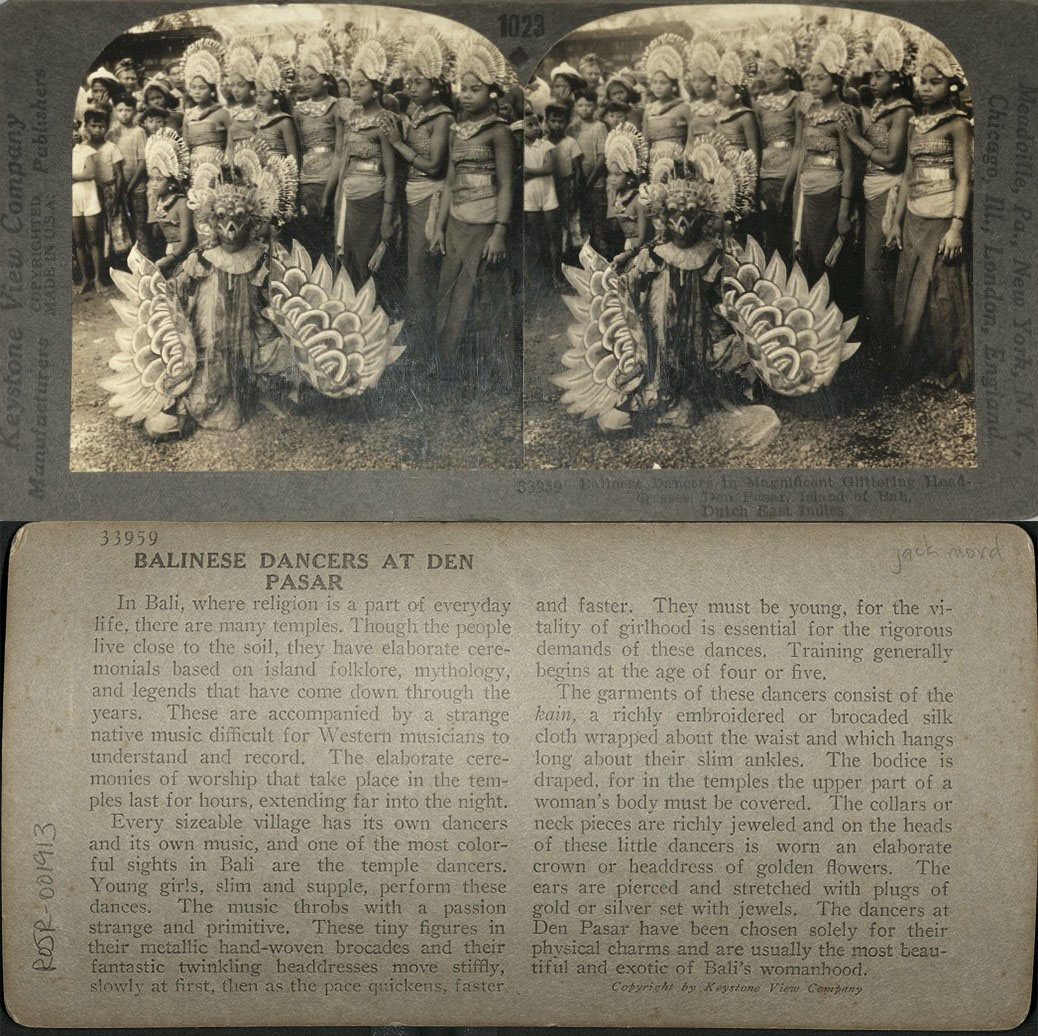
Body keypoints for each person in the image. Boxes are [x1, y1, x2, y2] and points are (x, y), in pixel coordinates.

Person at [889, 38, 973, 389]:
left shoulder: (957, 124)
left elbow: (964, 177)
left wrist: (956, 227)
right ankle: (914, 365)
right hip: (913, 217)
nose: (925, 88)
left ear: (951, 84)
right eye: (921, 81)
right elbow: (908, 176)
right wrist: (895, 221)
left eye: (934, 81)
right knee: (911, 289)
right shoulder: (913, 125)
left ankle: (947, 370)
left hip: (942, 217)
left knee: (942, 295)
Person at [433, 38, 515, 387]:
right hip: (456, 223)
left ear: (491, 92)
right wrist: (438, 227)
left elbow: (507, 184)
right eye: (462, 89)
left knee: (485, 297)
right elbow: (450, 180)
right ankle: (451, 366)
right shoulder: (455, 130)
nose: (466, 95)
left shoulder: (499, 132)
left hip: (485, 224)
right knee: (451, 293)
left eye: (475, 89)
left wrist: (499, 232)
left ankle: (491, 371)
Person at [381, 31, 456, 362]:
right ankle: (419, 343)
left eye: (418, 81)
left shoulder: (444, 118)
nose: (410, 86)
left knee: (422, 272)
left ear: (436, 85)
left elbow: (435, 164)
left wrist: (397, 143)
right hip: (411, 196)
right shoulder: (413, 114)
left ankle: (429, 348)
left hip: (430, 196)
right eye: (408, 80)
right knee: (414, 273)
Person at [839, 25, 912, 363]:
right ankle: (881, 341)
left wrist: (856, 138)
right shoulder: (879, 108)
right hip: (870, 192)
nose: (873, 80)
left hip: (889, 193)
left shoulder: (903, 112)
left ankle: (888, 347)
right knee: (872, 269)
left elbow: (894, 158)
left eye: (879, 74)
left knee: (877, 269)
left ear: (895, 79)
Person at [332, 35, 399, 291]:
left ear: (376, 87)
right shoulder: (350, 119)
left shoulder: (385, 121)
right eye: (353, 84)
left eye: (362, 84)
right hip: (348, 198)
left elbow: (392, 174)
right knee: (348, 260)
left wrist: (388, 216)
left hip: (374, 200)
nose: (355, 90)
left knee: (369, 262)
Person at [795, 32, 857, 298]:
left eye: (821, 78)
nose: (814, 83)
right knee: (806, 259)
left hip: (831, 196)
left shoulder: (845, 114)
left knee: (828, 262)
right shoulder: (810, 113)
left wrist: (844, 213)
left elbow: (850, 167)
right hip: (807, 194)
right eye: (811, 77)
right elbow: (803, 155)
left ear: (835, 83)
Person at [753, 31, 803, 262]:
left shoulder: (797, 101)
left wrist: (787, 187)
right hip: (767, 175)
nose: (768, 76)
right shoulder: (760, 105)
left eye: (774, 71)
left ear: (788, 73)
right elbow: (760, 143)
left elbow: (798, 146)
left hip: (790, 174)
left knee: (791, 233)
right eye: (766, 72)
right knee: (770, 234)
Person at [292, 35, 340, 263]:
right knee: (308, 233)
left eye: (313, 77)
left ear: (326, 79)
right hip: (306, 179)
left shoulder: (336, 107)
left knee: (328, 233)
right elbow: (299, 150)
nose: (307, 82)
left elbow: (340, 151)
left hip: (330, 177)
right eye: (304, 78)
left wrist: (330, 190)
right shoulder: (299, 110)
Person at [84, 106, 132, 263]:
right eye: (93, 126)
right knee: (96, 227)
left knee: (114, 224)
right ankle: (99, 264)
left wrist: (117, 200)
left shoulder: (111, 147)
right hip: (90, 191)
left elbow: (119, 175)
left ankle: (117, 262)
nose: (98, 130)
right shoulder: (83, 148)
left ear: (107, 127)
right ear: (86, 127)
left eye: (101, 126)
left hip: (110, 191)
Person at [144, 129, 193, 274]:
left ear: (171, 181)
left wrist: (170, 259)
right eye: (151, 179)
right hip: (169, 252)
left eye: (159, 179)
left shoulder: (181, 203)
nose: (154, 184)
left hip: (186, 255)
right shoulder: (157, 199)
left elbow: (186, 242)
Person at [523, 110, 561, 288]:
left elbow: (548, 168)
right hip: (530, 196)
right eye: (529, 125)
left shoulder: (546, 145)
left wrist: (528, 172)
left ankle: (556, 274)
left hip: (548, 194)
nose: (535, 128)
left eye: (536, 124)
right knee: (538, 237)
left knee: (553, 234)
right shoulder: (520, 149)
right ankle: (545, 276)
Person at [108, 93, 150, 255]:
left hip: (136, 186)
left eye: (128, 110)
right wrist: (119, 187)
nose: (124, 113)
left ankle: (144, 260)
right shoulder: (112, 133)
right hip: (117, 187)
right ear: (115, 111)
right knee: (121, 225)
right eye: (120, 110)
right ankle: (125, 261)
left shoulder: (139, 132)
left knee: (140, 223)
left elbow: (142, 161)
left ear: (134, 111)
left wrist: (130, 186)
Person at [638, 36, 690, 166]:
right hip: (654, 163)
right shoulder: (649, 110)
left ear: (673, 84)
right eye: (654, 82)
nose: (657, 86)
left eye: (663, 82)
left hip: (678, 161)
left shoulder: (683, 107)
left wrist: (686, 159)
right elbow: (645, 142)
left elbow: (692, 137)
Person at [603, 123, 649, 266]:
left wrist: (627, 255)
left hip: (643, 252)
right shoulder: (616, 197)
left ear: (630, 178)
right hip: (627, 249)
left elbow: (644, 238)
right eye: (610, 174)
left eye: (618, 174)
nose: (612, 179)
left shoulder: (639, 200)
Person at [569, 88, 609, 254]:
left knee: (598, 220)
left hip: (596, 182)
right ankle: (587, 255)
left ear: (595, 107)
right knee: (583, 221)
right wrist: (578, 180)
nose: (584, 108)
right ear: (576, 107)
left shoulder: (599, 127)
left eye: (588, 105)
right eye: (581, 105)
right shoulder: (573, 128)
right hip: (578, 181)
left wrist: (589, 180)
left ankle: (603, 255)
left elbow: (602, 156)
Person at [180, 40, 230, 166]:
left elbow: (231, 144)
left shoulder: (223, 113)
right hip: (194, 168)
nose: (197, 92)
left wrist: (226, 166)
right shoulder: (188, 115)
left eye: (202, 88)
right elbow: (185, 147)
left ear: (212, 90)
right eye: (194, 87)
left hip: (218, 167)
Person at [544, 102, 583, 259]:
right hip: (550, 186)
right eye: (553, 121)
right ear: (547, 121)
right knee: (554, 222)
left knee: (572, 220)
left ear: (566, 123)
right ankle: (557, 257)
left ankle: (572, 256)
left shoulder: (570, 142)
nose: (557, 125)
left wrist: (576, 191)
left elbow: (578, 170)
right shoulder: (543, 143)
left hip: (568, 185)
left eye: (561, 121)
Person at [72, 121, 105, 294]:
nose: (73, 133)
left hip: (90, 198)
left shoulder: (86, 150)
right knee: (79, 242)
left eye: (74, 129)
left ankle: (98, 278)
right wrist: (80, 176)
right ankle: (85, 278)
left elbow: (90, 173)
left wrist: (71, 176)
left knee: (94, 241)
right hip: (72, 201)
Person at [715, 49, 760, 172]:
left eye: (724, 88)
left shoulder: (746, 116)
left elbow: (754, 156)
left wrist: (751, 187)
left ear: (738, 90)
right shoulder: (720, 117)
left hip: (743, 177)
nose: (719, 94)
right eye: (717, 89)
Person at [253, 51, 300, 164]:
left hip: (283, 178)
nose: (258, 99)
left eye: (263, 94)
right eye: (256, 94)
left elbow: (294, 161)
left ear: (276, 96)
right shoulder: (259, 121)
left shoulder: (284, 122)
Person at [224, 41, 261, 155]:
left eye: (241, 85)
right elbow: (229, 147)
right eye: (232, 85)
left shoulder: (260, 112)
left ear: (251, 85)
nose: (235, 90)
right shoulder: (232, 113)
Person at [685, 40, 723, 145]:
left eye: (702, 80)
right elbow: (689, 141)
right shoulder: (694, 108)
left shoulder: (721, 106)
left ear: (713, 81)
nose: (697, 85)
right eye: (694, 80)